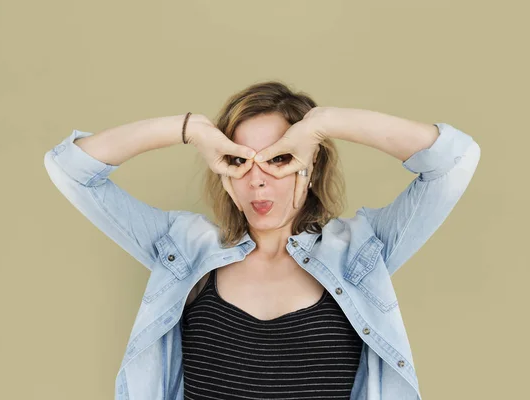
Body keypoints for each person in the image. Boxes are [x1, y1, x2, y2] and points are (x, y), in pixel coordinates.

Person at [43, 80, 481, 400]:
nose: (258, 180)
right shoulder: (183, 249)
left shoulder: (360, 254)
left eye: (279, 159)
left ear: (310, 167)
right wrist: (191, 129)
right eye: (238, 161)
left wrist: (324, 123)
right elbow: (71, 170)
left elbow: (453, 161)